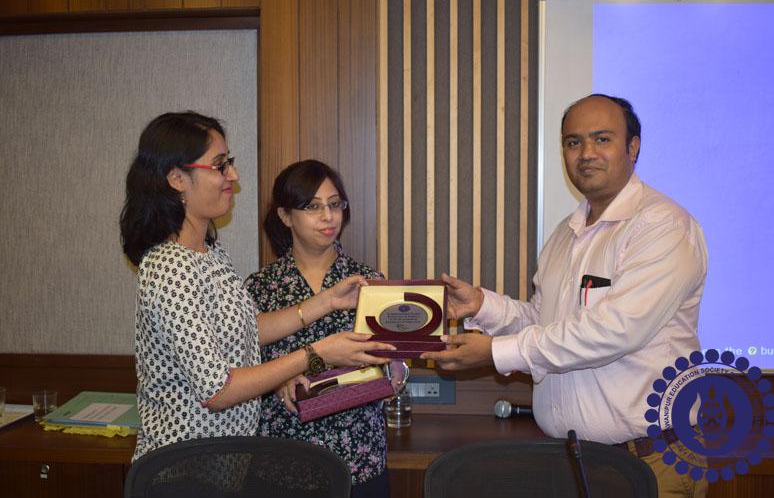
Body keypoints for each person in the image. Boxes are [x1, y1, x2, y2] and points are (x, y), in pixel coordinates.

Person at [422, 95, 709, 498]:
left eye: (602, 139)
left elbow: (614, 331)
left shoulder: (662, 226)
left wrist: (495, 353)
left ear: (633, 147)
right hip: (572, 462)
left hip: (648, 461)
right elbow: (546, 322)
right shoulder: (565, 233)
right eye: (574, 142)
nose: (586, 153)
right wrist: (484, 306)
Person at [120, 112, 393, 462]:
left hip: (228, 461)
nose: (233, 176)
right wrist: (317, 354)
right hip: (186, 465)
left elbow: (249, 329)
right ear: (177, 178)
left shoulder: (209, 253)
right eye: (220, 166)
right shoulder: (170, 267)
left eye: (229, 163)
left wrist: (326, 301)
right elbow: (218, 390)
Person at [245, 160, 390, 498]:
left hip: (358, 453)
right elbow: (242, 369)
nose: (328, 216)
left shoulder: (369, 282)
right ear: (285, 216)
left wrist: (394, 369)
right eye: (313, 207)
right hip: (283, 456)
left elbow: (390, 361)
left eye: (335, 204)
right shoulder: (260, 287)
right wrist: (278, 380)